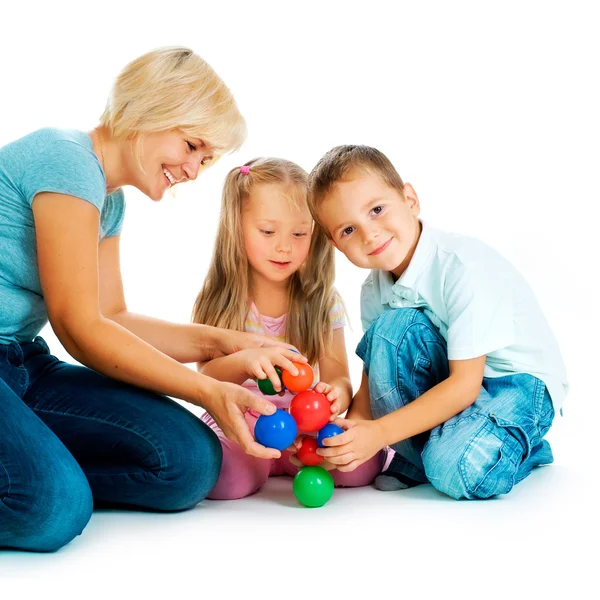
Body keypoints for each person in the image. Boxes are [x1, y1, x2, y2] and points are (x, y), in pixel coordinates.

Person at [0, 47, 297, 553]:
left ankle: (35, 466)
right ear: (152, 111)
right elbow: (79, 328)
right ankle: (43, 484)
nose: (193, 169)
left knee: (189, 463)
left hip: (19, 362)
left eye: (205, 159)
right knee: (49, 510)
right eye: (192, 145)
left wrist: (229, 343)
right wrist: (206, 392)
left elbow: (113, 318)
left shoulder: (107, 202)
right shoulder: (67, 161)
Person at [306, 145, 569, 500]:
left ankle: (522, 449)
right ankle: (432, 453)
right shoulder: (374, 289)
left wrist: (381, 434)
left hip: (516, 384)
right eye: (349, 230)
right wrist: (338, 443)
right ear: (336, 244)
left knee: (454, 469)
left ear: (410, 199)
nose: (370, 234)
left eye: (378, 210)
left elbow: (465, 386)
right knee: (390, 332)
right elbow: (373, 383)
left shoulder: (461, 266)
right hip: (452, 382)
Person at [192, 157, 388, 499]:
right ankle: (260, 464)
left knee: (360, 470)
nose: (284, 246)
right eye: (268, 231)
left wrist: (334, 394)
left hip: (306, 424)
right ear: (236, 227)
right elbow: (206, 378)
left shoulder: (322, 301)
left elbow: (339, 375)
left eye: (299, 233)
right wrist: (246, 361)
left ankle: (287, 462)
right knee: (226, 481)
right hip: (246, 420)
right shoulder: (221, 298)